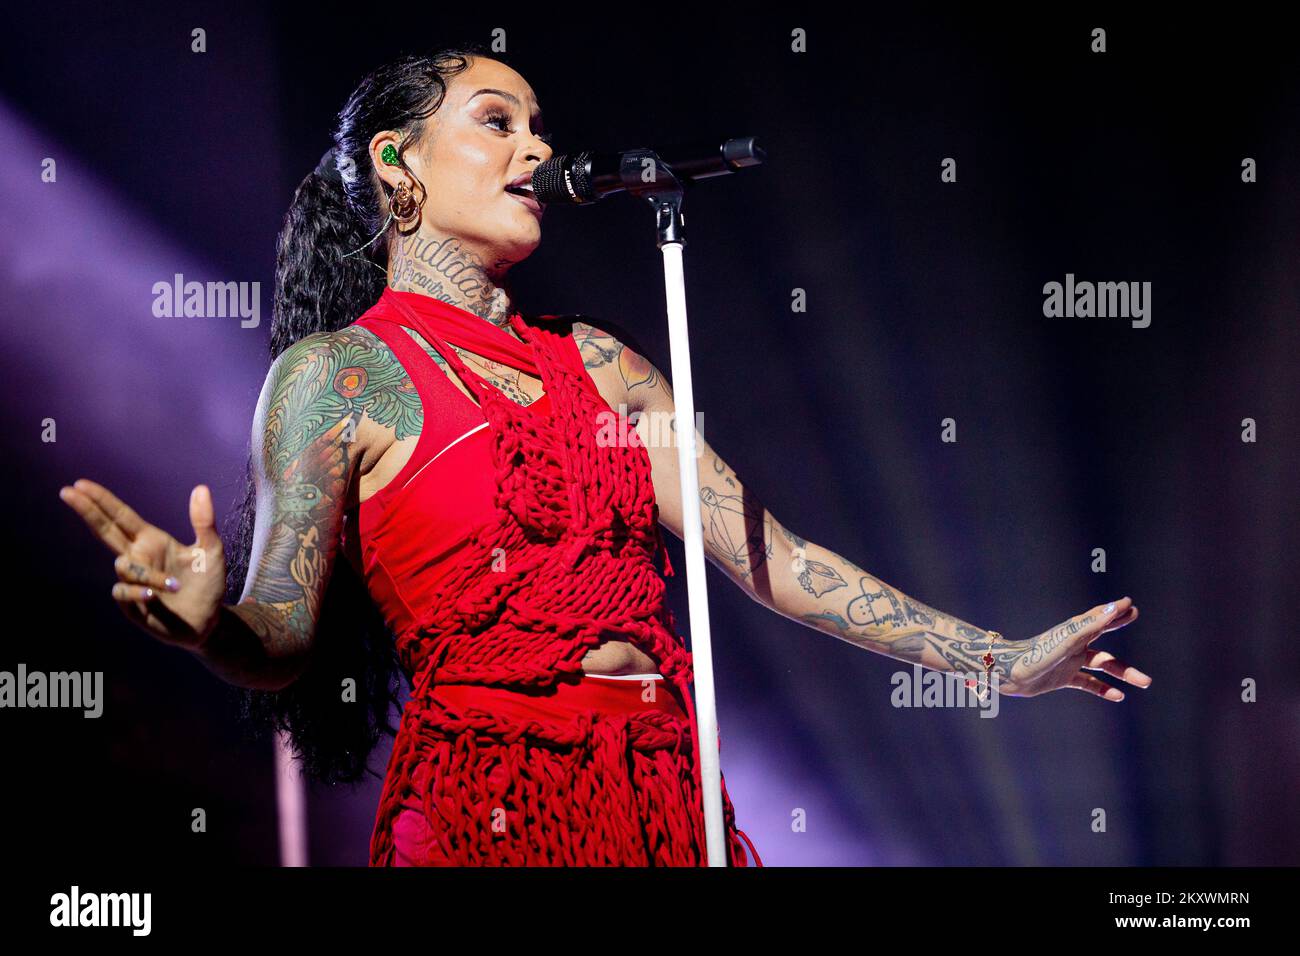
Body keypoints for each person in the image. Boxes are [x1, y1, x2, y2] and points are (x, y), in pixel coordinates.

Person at [59, 46, 1151, 866]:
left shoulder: (604, 367)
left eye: (538, 124)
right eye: (497, 121)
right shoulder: (338, 376)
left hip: (660, 791)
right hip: (487, 798)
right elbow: (279, 636)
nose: (536, 148)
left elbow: (771, 554)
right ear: (398, 164)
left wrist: (996, 661)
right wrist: (216, 627)